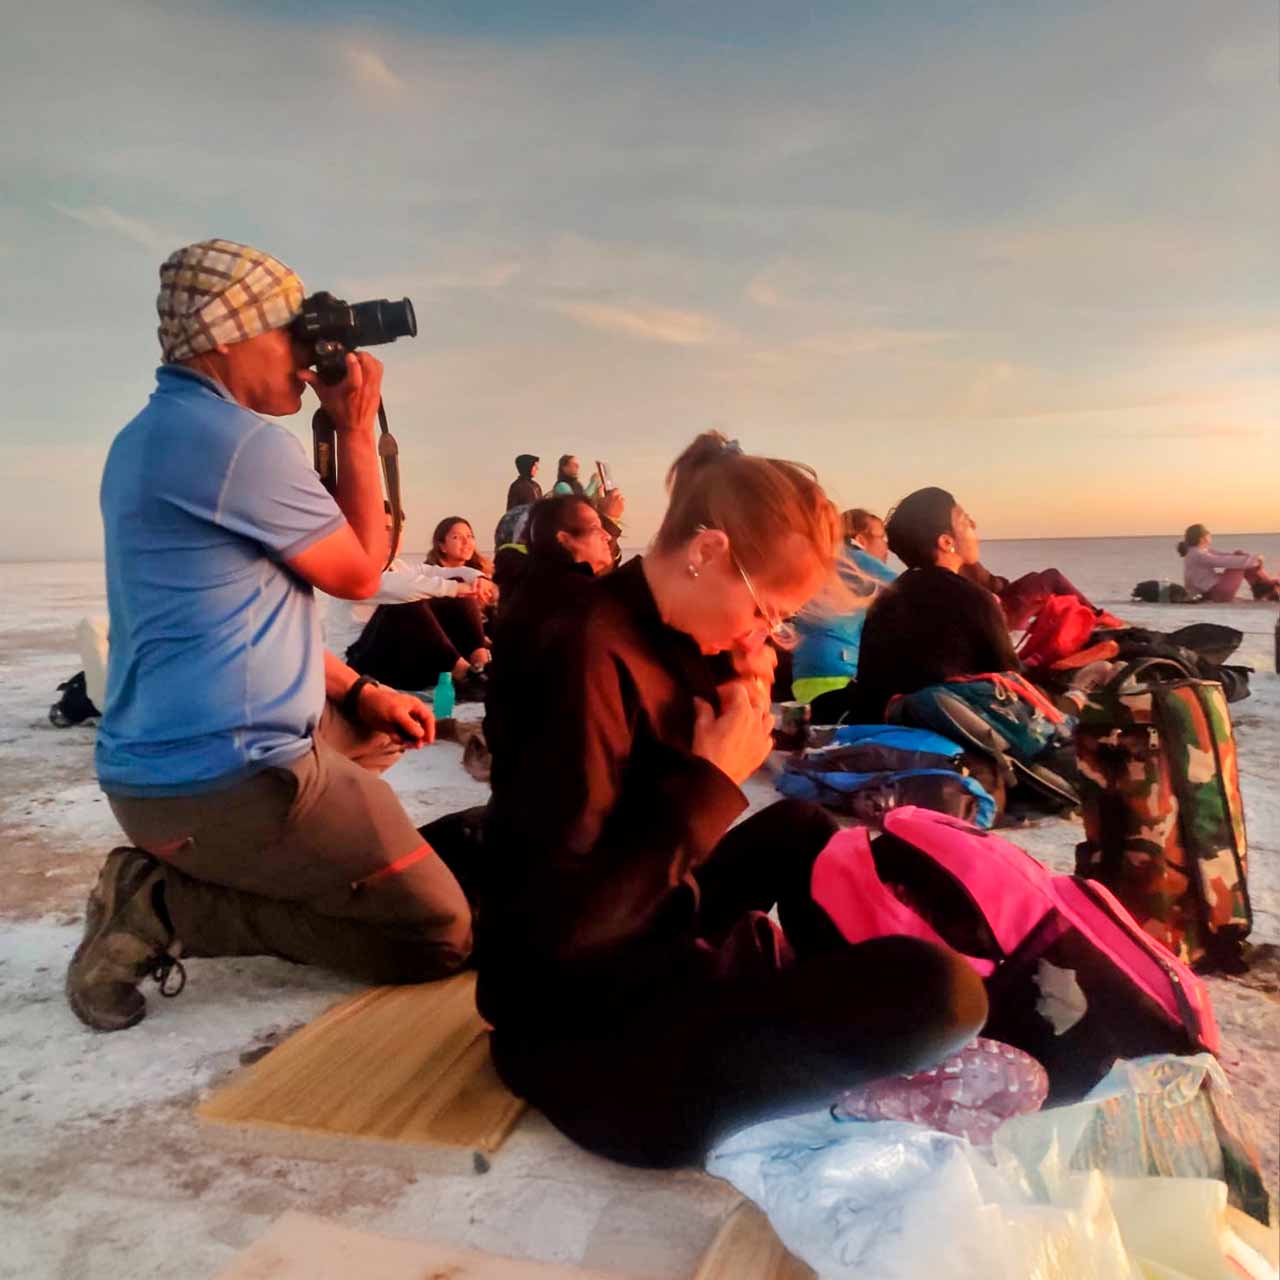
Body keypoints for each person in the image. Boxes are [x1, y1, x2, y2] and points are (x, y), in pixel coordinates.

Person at [478, 435, 987, 1169]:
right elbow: (563, 932)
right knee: (944, 997)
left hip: (653, 936)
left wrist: (743, 684)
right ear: (709, 551)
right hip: (574, 1024)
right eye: (763, 609)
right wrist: (711, 786)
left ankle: (826, 1032)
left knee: (807, 829)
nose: (763, 633)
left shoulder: (667, 625)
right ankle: (837, 1053)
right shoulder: (581, 653)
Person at [66, 239, 472, 1032]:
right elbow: (360, 572)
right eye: (288, 331)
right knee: (438, 934)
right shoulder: (236, 441)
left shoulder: (149, 434)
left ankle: (253, 855)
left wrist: (360, 689)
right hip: (224, 778)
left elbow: (230, 621)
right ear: (225, 339)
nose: (306, 352)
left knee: (377, 733)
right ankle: (164, 904)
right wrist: (354, 431)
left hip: (158, 769)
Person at [857, 487, 1021, 722]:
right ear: (946, 542)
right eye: (965, 520)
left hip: (883, 732)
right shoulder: (975, 599)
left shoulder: (885, 599)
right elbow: (1012, 685)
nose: (973, 524)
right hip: (949, 740)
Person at [322, 502, 485, 659]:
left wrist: (478, 578)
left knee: (454, 591)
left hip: (388, 652)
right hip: (355, 658)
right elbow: (398, 586)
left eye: (399, 529)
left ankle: (479, 659)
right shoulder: (352, 567)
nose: (394, 535)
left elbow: (434, 571)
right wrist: (455, 588)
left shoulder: (397, 566)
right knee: (409, 603)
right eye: (386, 528)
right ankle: (463, 672)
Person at [791, 508, 898, 708]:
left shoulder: (822, 560)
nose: (887, 548)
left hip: (805, 673)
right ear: (860, 539)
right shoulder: (853, 555)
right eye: (883, 538)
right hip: (838, 673)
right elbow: (910, 588)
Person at [1178, 524, 1280, 603]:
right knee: (1241, 560)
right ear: (1202, 538)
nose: (1210, 536)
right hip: (1219, 593)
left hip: (1213, 593)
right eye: (1208, 534)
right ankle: (1266, 589)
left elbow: (1225, 556)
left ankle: (1264, 588)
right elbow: (1223, 561)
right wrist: (1255, 560)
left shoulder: (1196, 551)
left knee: (1240, 556)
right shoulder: (1198, 553)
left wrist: (1252, 559)